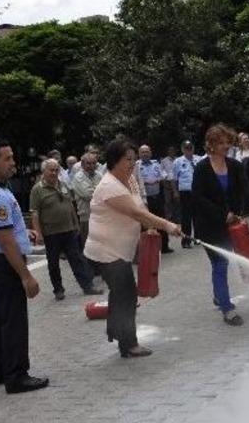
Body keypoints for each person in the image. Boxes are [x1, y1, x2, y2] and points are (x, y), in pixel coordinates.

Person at [83, 139, 181, 358]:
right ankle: (128, 343)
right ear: (114, 160)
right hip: (106, 250)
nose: (132, 163)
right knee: (126, 293)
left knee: (122, 294)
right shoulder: (109, 185)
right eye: (128, 159)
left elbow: (140, 208)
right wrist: (167, 225)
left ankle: (117, 333)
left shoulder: (129, 180)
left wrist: (149, 228)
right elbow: (136, 213)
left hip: (120, 250)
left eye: (134, 159)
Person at [0, 138, 48, 393]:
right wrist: (26, 276)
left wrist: (23, 232)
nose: (13, 163)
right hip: (4, 264)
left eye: (13, 157)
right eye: (7, 159)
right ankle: (16, 376)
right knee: (13, 320)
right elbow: (5, 241)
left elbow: (5, 232)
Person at [193, 124, 249, 326]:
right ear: (210, 145)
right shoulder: (202, 168)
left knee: (230, 260)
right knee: (220, 263)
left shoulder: (234, 165)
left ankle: (218, 295)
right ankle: (227, 308)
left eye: (228, 142)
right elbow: (198, 198)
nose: (226, 146)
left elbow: (245, 187)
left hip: (231, 224)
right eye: (221, 143)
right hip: (209, 225)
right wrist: (223, 214)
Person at [29, 158, 102, 301]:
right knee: (53, 263)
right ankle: (58, 290)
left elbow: (70, 206)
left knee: (77, 259)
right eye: (51, 170)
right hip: (51, 233)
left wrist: (75, 224)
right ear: (44, 171)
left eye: (57, 170)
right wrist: (38, 233)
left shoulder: (63, 185)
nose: (54, 173)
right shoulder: (37, 189)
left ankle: (87, 286)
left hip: (69, 230)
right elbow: (35, 212)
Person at [137, 145, 173, 253]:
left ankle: (164, 246)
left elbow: (164, 176)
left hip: (157, 196)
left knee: (161, 220)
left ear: (151, 153)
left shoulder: (156, 164)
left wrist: (157, 180)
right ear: (139, 154)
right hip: (145, 199)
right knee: (147, 223)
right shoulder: (136, 166)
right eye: (143, 152)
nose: (145, 154)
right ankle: (149, 249)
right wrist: (147, 182)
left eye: (147, 152)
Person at [70, 152, 103, 252]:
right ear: (82, 164)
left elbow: (106, 191)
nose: (91, 166)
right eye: (88, 163)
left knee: (100, 246)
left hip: (100, 215)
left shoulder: (99, 175)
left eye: (94, 163)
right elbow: (87, 195)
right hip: (86, 217)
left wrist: (96, 190)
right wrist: (99, 190)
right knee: (88, 247)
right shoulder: (78, 177)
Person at [173, 140, 201, 248]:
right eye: (186, 148)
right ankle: (186, 241)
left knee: (198, 216)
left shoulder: (198, 159)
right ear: (182, 149)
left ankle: (198, 238)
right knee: (186, 218)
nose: (188, 150)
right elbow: (174, 179)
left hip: (198, 191)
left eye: (190, 148)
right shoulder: (178, 161)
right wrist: (175, 192)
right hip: (185, 191)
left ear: (193, 148)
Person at [160, 145, 180, 223]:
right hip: (167, 183)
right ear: (168, 152)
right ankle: (169, 218)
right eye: (170, 151)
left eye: (173, 150)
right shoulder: (164, 161)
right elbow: (161, 171)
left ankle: (177, 218)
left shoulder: (179, 159)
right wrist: (166, 177)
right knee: (168, 201)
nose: (171, 152)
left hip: (177, 182)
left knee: (177, 201)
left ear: (175, 151)